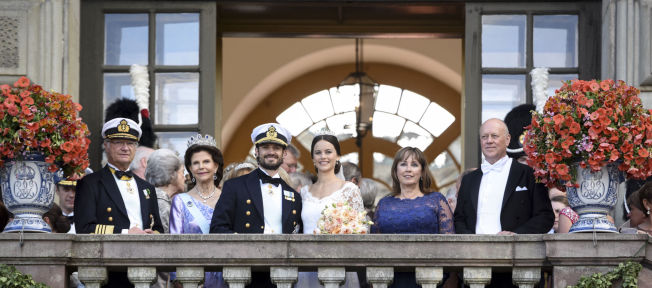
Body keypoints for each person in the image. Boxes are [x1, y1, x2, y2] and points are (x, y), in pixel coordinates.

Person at [454, 118, 553, 288]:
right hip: (476, 263)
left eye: (494, 136)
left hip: (517, 264)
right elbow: (459, 218)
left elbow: (545, 216)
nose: (489, 141)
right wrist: (470, 241)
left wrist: (516, 235)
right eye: (484, 137)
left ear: (507, 139)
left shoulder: (528, 174)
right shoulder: (469, 179)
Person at [210, 123, 302, 288]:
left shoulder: (294, 195)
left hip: (283, 275)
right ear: (256, 151)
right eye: (266, 147)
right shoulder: (235, 186)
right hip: (245, 273)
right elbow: (218, 228)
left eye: (276, 147)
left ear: (284, 153)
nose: (271, 152)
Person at [75, 117, 163, 288]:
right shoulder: (90, 183)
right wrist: (126, 233)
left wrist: (153, 235)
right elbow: (84, 229)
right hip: (108, 271)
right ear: (106, 145)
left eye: (130, 143)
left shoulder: (147, 188)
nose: (125, 147)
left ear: (136, 148)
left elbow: (158, 228)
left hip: (144, 269)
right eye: (118, 142)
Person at [372, 147, 456, 288]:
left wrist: (449, 277)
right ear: (395, 171)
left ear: (422, 172)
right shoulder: (383, 204)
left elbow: (450, 243)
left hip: (429, 277)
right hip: (389, 278)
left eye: (414, 164)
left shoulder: (437, 200)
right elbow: (373, 246)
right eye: (403, 164)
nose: (408, 169)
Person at [296, 132, 365, 288]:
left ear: (338, 156)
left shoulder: (349, 189)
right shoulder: (304, 192)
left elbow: (362, 230)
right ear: (313, 158)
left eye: (328, 152)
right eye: (318, 152)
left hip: (339, 263)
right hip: (307, 266)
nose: (323, 156)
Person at [169, 134, 225, 287]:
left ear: (216, 166)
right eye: (196, 163)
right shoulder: (180, 201)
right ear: (190, 169)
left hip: (226, 276)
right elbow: (174, 245)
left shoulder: (228, 198)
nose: (201, 167)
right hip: (191, 278)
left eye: (206, 161)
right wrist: (177, 279)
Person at [145, 148, 186, 234]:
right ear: (172, 174)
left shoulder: (149, 197)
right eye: (182, 172)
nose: (185, 178)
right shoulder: (161, 203)